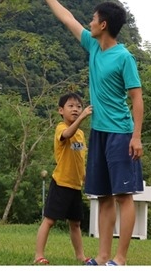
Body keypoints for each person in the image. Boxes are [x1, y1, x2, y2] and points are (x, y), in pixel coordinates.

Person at [40, 0, 144, 267]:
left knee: (124, 196)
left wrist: (136, 136)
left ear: (104, 24)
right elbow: (68, 19)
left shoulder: (124, 57)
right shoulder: (93, 47)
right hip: (98, 133)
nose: (89, 22)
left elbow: (136, 98)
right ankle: (101, 257)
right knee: (104, 196)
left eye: (93, 18)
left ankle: (120, 259)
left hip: (121, 133)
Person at [34, 92, 93, 265]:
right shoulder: (61, 127)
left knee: (75, 223)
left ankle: (81, 256)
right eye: (71, 106)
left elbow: (80, 158)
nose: (75, 109)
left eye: (79, 106)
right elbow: (67, 134)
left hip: (75, 186)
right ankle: (38, 255)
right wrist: (81, 117)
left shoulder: (81, 134)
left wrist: (85, 179)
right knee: (50, 220)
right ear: (61, 110)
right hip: (61, 182)